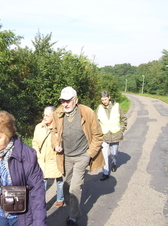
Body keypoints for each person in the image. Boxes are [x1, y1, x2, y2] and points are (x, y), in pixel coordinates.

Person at [0, 111, 47, 226]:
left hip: (21, 213)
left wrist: (39, 222)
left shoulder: (26, 154)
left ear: (9, 134)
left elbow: (37, 191)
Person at [51, 86, 104, 226]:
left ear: (76, 100)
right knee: (67, 187)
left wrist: (89, 154)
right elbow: (54, 132)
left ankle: (72, 217)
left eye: (68, 101)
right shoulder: (58, 113)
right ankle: (74, 210)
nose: (65, 104)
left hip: (82, 155)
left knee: (75, 186)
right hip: (66, 157)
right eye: (63, 100)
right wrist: (55, 144)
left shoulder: (87, 113)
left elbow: (98, 136)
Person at [32, 106, 64, 208]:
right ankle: (41, 204)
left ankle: (60, 199)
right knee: (42, 183)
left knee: (59, 180)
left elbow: (63, 142)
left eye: (47, 115)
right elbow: (35, 142)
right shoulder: (38, 127)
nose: (44, 117)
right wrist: (37, 154)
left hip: (55, 158)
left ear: (53, 116)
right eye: (44, 115)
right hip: (42, 160)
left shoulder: (59, 127)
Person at [96, 91, 127, 181]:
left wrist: (122, 129)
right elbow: (96, 121)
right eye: (102, 100)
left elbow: (123, 118)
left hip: (115, 134)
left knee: (114, 153)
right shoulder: (99, 108)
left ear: (109, 97)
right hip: (104, 135)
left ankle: (114, 162)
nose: (104, 101)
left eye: (105, 99)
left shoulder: (117, 106)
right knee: (104, 155)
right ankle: (105, 173)